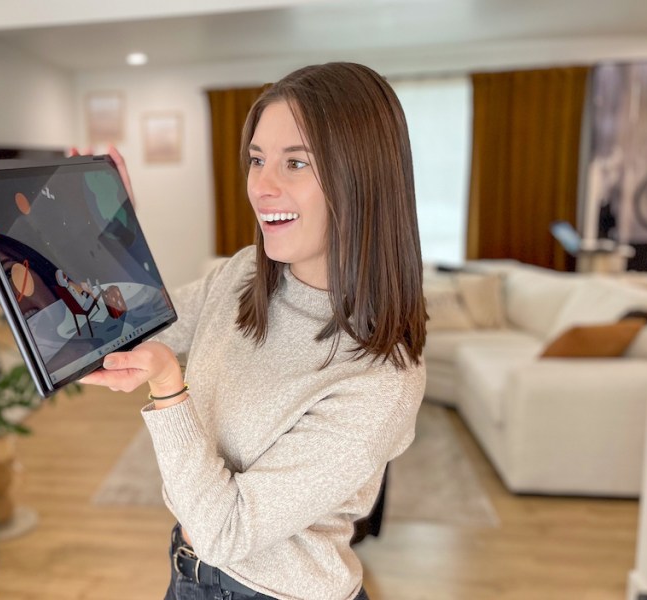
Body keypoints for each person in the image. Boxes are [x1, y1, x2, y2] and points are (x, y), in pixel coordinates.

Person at [80, 62, 428, 600]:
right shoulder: (244, 272)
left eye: (295, 163)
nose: (262, 187)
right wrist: (109, 226)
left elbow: (226, 530)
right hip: (188, 573)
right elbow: (130, 334)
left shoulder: (382, 377)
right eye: (257, 160)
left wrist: (170, 388)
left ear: (362, 178)